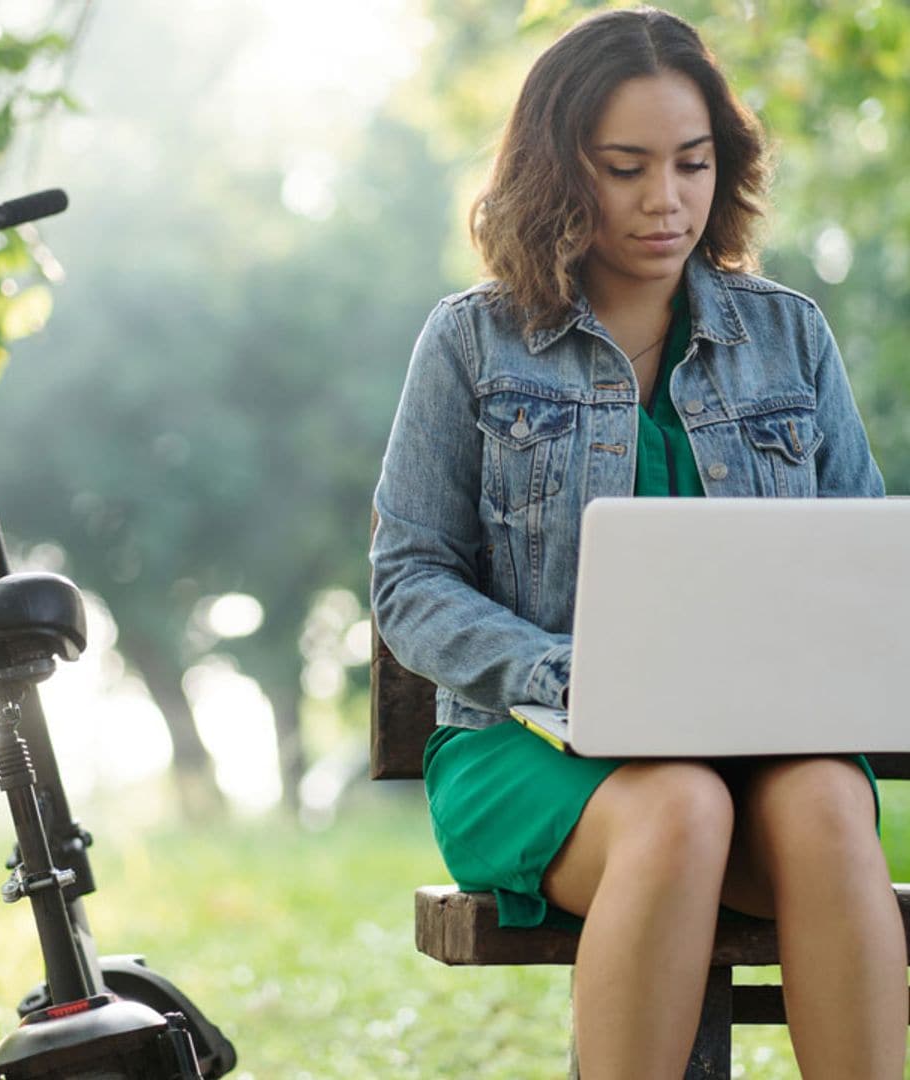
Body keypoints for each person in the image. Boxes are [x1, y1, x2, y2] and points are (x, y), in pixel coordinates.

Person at [370, 7, 908, 1079]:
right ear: (557, 171)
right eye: (625, 168)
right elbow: (409, 577)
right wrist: (562, 673)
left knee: (831, 802)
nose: (666, 201)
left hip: (762, 754)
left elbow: (861, 564)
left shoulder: (789, 334)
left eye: (693, 164)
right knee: (677, 804)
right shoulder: (472, 341)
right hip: (531, 751)